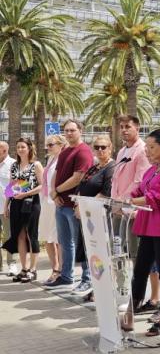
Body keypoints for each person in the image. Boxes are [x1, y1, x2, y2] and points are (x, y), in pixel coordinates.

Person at [120, 129, 160, 336]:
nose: (147, 151)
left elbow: (158, 196)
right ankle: (130, 312)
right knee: (140, 271)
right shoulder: (152, 169)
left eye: (152, 147)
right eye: (146, 147)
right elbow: (140, 191)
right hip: (147, 223)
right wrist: (126, 197)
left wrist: (131, 201)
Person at [111, 114, 159, 314]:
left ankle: (154, 297)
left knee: (139, 256)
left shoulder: (142, 150)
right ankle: (126, 293)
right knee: (120, 254)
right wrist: (114, 202)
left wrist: (123, 201)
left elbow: (139, 182)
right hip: (117, 210)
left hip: (133, 212)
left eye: (128, 126)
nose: (124, 130)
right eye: (121, 126)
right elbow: (115, 179)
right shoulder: (122, 150)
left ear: (137, 128)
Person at [46, 119, 94, 290]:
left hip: (75, 205)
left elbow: (78, 177)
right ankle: (66, 276)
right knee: (65, 243)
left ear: (80, 130)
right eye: (66, 130)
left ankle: (87, 278)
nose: (68, 133)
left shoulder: (84, 151)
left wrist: (56, 190)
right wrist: (53, 192)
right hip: (60, 204)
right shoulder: (65, 151)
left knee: (82, 244)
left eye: (72, 130)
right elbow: (57, 173)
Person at [72, 135, 116, 299]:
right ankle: (98, 287)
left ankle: (106, 289)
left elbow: (106, 193)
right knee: (93, 255)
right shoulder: (94, 167)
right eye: (96, 147)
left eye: (103, 147)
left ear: (110, 148)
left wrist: (84, 207)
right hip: (88, 218)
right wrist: (77, 204)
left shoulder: (112, 167)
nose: (100, 150)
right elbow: (80, 187)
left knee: (103, 255)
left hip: (101, 218)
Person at [2, 138, 44, 283]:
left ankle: (33, 270)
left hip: (31, 203)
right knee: (19, 235)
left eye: (23, 147)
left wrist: (26, 193)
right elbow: (11, 186)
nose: (20, 149)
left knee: (31, 235)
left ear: (29, 148)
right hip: (16, 204)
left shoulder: (36, 165)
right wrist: (6, 205)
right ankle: (24, 269)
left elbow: (42, 186)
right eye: (18, 147)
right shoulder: (14, 165)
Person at [38, 134, 67, 285]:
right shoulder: (50, 160)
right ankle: (54, 268)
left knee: (57, 237)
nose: (47, 147)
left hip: (53, 202)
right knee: (46, 236)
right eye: (47, 145)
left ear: (61, 145)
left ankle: (60, 271)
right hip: (45, 202)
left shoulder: (63, 159)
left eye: (51, 144)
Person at [0, 141, 17, 275]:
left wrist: (9, 201)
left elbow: (20, 184)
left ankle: (12, 264)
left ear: (5, 150)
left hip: (6, 208)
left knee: (9, 236)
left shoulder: (13, 164)